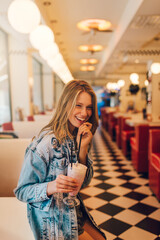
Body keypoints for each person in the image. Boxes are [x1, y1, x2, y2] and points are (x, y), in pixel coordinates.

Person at [14, 80, 106, 240]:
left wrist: (83, 148)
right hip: (52, 221)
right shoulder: (46, 143)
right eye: (78, 105)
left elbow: (83, 184)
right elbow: (22, 191)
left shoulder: (77, 136)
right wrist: (52, 186)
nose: (85, 113)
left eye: (89, 107)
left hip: (72, 213)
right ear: (65, 104)